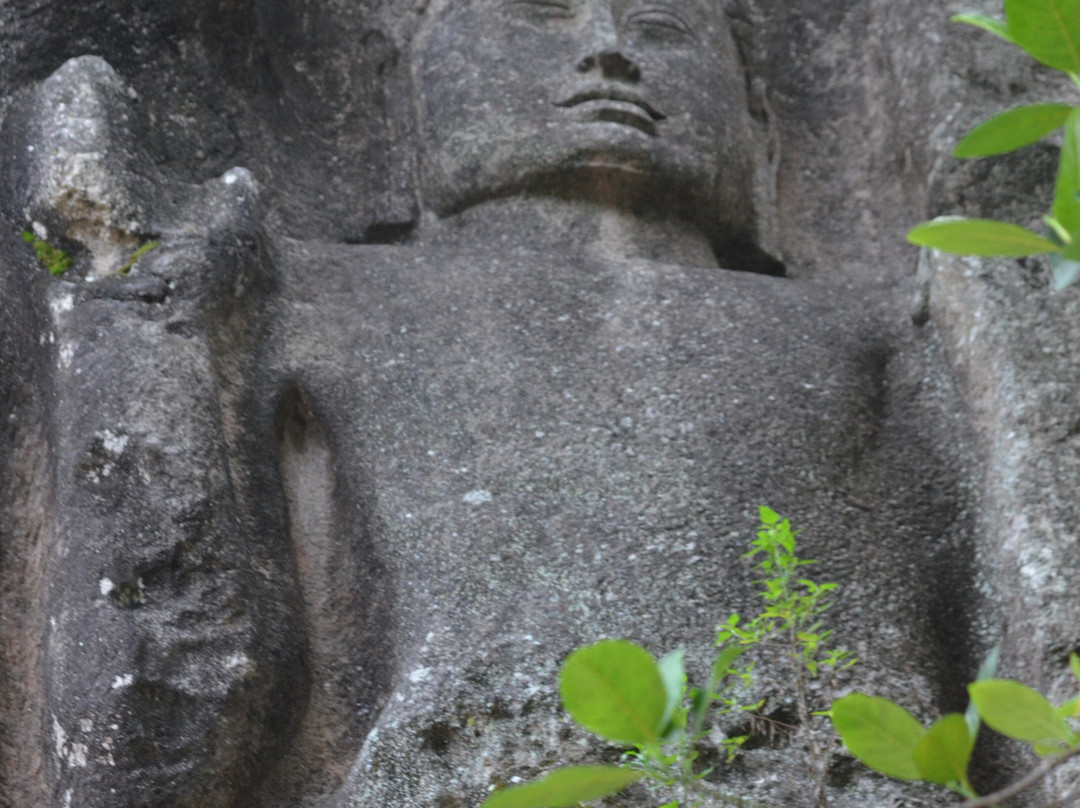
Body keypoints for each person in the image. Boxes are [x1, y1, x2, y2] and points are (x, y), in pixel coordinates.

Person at [0, 1, 975, 806]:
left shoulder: (881, 326)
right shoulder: (318, 297)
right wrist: (136, 325)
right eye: (536, 15)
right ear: (404, 85)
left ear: (757, 120)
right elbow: (195, 673)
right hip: (467, 768)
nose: (607, 51)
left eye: (665, 28)